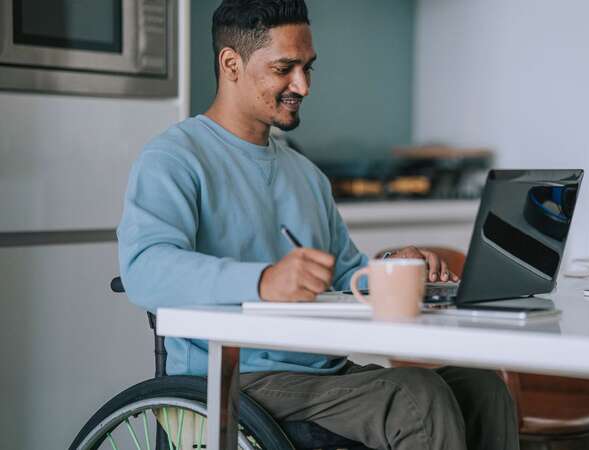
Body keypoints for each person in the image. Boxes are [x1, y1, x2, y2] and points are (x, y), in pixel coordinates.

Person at [117, 1, 519, 449]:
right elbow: (145, 269)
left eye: (308, 68)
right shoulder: (174, 158)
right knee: (414, 397)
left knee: (483, 388)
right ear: (231, 64)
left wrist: (392, 267)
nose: (302, 85)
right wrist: (265, 280)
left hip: (319, 376)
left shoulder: (304, 173)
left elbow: (346, 275)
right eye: (284, 68)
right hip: (231, 381)